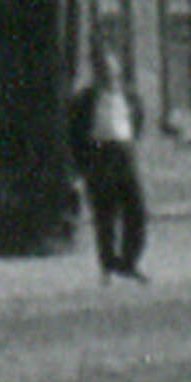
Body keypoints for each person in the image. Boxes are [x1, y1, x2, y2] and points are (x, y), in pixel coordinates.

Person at [70, 48, 150, 280]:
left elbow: (137, 121)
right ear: (96, 74)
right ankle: (108, 265)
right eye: (103, 72)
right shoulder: (86, 99)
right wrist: (81, 166)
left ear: (119, 72)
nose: (109, 76)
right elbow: (74, 132)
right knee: (105, 214)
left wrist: (128, 143)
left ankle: (129, 261)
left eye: (112, 71)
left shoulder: (129, 96)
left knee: (137, 211)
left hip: (124, 154)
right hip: (99, 155)